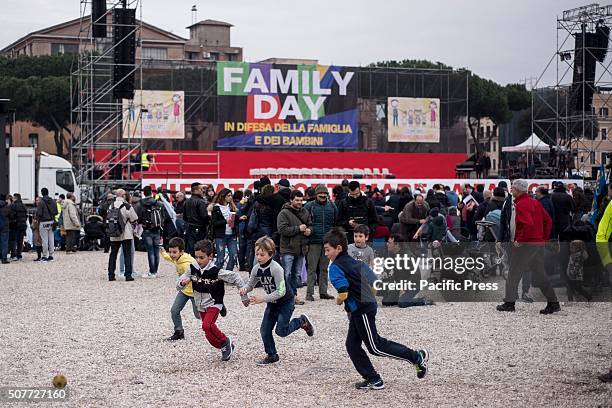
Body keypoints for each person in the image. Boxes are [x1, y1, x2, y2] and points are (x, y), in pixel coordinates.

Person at [324, 227, 429, 390]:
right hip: (365, 306)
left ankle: (416, 357)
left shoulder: (335, 267)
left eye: (327, 250)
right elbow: (374, 282)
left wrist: (339, 301)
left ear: (338, 248)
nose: (325, 254)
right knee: (352, 345)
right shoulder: (356, 262)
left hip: (361, 309)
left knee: (375, 346)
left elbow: (343, 293)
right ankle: (373, 378)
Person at [239, 236, 315, 366]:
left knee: (281, 331)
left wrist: (262, 298)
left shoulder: (276, 269)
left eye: (262, 254)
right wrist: (245, 289)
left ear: (271, 254)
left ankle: (302, 321)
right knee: (264, 330)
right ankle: (272, 355)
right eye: (257, 254)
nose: (258, 257)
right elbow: (251, 284)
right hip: (272, 303)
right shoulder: (256, 268)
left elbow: (281, 292)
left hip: (286, 302)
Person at [496, 179, 560, 314]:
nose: (511, 190)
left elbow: (527, 224)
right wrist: (543, 238)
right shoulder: (535, 202)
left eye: (512, 188)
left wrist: (520, 240)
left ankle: (509, 303)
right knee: (540, 274)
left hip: (525, 245)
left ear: (518, 190)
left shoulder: (521, 204)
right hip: (537, 243)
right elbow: (548, 221)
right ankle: (553, 302)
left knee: (513, 273)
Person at [177, 239, 247, 361]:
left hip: (214, 302)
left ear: (210, 256)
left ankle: (225, 341)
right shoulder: (192, 268)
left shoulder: (216, 271)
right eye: (196, 257)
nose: (198, 260)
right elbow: (179, 284)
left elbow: (235, 277)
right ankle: (225, 346)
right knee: (208, 334)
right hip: (201, 304)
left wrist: (243, 295)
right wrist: (183, 282)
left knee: (207, 325)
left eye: (201, 257)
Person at [277, 190, 312, 305]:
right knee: (286, 274)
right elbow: (282, 230)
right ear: (291, 200)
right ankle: (283, 296)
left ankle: (293, 296)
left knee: (296, 275)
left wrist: (309, 230)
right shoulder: (283, 213)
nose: (299, 202)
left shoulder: (305, 211)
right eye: (297, 200)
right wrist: (298, 229)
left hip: (301, 249)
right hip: (288, 249)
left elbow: (310, 224)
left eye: (301, 200)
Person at [303, 184, 337, 302]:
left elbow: (335, 222)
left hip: (327, 242)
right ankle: (309, 293)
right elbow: (304, 222)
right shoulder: (309, 206)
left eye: (325, 193)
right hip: (313, 242)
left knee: (324, 268)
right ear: (316, 195)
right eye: (320, 193)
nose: (323, 195)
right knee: (312, 268)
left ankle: (323, 292)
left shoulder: (332, 206)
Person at [162, 237, 199, 341]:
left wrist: (189, 279)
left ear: (181, 252)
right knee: (174, 310)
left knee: (198, 315)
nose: (172, 254)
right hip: (184, 291)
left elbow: (197, 275)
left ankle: (215, 310)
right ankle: (179, 332)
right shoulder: (177, 258)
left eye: (174, 252)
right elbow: (170, 258)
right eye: (170, 252)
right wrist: (164, 254)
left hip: (194, 292)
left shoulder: (187, 263)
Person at [107, 189, 138, 281]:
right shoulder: (127, 206)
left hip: (114, 233)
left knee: (113, 254)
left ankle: (111, 275)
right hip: (126, 233)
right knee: (127, 254)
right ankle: (128, 275)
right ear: (124, 196)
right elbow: (134, 218)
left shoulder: (111, 205)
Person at [136, 186, 164, 278]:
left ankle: (151, 272)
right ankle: (155, 271)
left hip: (147, 229)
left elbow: (138, 217)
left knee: (150, 251)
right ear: (151, 192)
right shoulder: (158, 203)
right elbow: (163, 216)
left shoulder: (141, 203)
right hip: (157, 229)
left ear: (144, 193)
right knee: (156, 251)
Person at [211, 188, 239, 271]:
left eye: (231, 196)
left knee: (234, 256)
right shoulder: (216, 208)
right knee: (220, 259)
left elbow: (234, 221)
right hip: (220, 236)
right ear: (223, 196)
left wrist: (239, 219)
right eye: (229, 196)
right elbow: (214, 223)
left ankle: (227, 275)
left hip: (231, 235)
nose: (231, 197)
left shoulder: (232, 207)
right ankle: (214, 275)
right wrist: (225, 221)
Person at [183, 182, 210, 256]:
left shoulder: (186, 201)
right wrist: (209, 220)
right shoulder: (201, 202)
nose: (203, 191)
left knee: (191, 249)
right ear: (196, 190)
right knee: (200, 249)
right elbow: (204, 216)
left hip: (189, 227)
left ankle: (193, 265)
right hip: (200, 228)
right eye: (201, 189)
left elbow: (184, 217)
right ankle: (198, 265)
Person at [36, 188, 58, 262]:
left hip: (43, 222)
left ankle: (45, 256)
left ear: (42, 193)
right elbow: (56, 212)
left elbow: (39, 213)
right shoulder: (53, 201)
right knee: (51, 239)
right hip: (51, 221)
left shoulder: (41, 202)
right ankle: (51, 255)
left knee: (44, 240)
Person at [8, 193, 28, 261]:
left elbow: (11, 215)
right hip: (23, 225)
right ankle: (19, 255)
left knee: (13, 240)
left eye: (13, 198)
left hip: (15, 225)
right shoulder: (24, 206)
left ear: (15, 198)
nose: (12, 199)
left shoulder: (13, 206)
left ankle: (13, 255)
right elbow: (26, 216)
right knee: (20, 240)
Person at [0, 194, 10, 264]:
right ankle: (4, 259)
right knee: (4, 243)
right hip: (4, 227)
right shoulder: (6, 207)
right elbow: (11, 215)